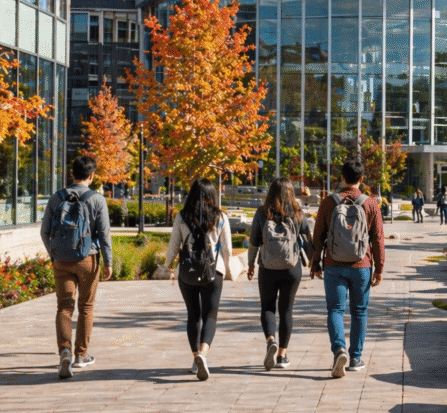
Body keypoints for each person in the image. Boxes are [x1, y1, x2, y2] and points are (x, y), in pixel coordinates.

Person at [40, 155, 113, 380]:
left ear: (71, 174)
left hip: (61, 259)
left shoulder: (56, 197)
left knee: (64, 307)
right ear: (91, 176)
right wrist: (108, 261)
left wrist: (53, 253)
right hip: (87, 259)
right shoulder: (97, 199)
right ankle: (81, 356)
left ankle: (64, 352)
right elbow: (104, 234)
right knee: (86, 307)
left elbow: (44, 231)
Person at [311, 158, 385, 377]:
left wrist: (316, 262)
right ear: (361, 180)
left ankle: (339, 350)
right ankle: (355, 358)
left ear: (341, 178)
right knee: (359, 311)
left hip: (333, 264)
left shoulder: (329, 202)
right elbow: (378, 239)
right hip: (361, 265)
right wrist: (379, 269)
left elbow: (318, 236)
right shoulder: (370, 204)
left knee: (335, 309)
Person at [165, 178, 232, 381]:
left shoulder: (182, 216)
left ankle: (196, 359)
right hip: (214, 271)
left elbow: (174, 245)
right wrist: (227, 269)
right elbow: (227, 249)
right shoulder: (220, 217)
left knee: (193, 314)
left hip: (187, 271)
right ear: (213, 196)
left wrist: (169, 265)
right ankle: (203, 352)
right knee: (210, 315)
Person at [247, 177, 313, 371]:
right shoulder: (297, 213)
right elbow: (307, 240)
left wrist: (250, 264)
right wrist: (314, 263)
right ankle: (282, 356)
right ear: (290, 193)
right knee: (286, 310)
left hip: (267, 268)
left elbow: (254, 241)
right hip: (291, 268)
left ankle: (270, 340)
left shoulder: (262, 212)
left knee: (268, 307)